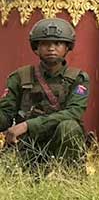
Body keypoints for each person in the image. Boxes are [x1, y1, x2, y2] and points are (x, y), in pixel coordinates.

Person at [0, 18, 89, 165]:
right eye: (45, 44)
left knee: (69, 126)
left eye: (57, 43)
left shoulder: (78, 78)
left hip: (61, 143)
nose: (51, 48)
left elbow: (74, 112)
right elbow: (6, 114)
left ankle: (67, 177)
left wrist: (28, 125)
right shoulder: (20, 77)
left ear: (67, 47)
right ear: (36, 47)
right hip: (27, 143)